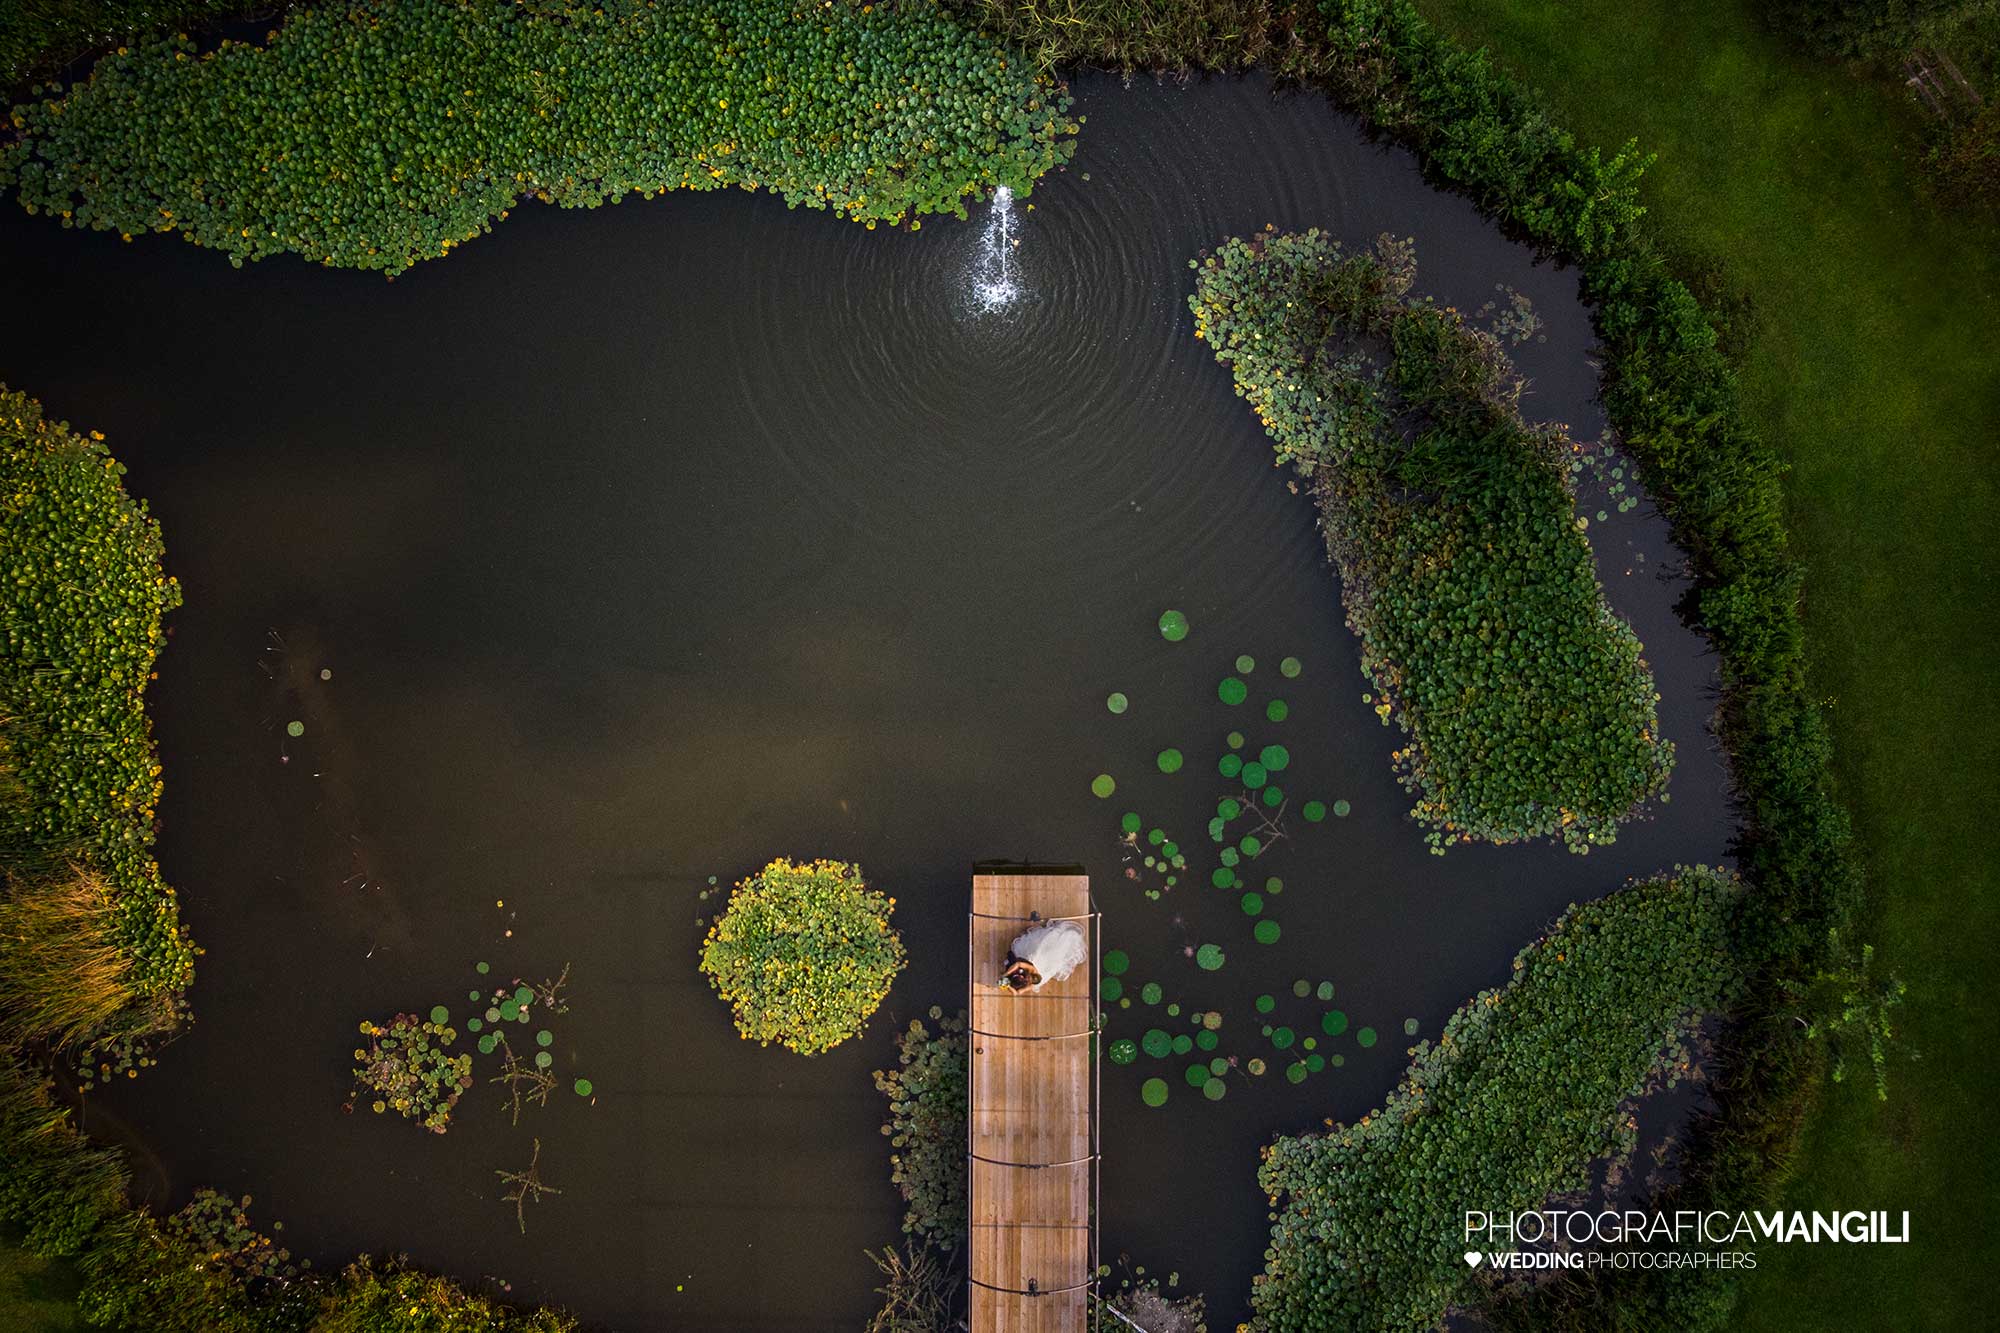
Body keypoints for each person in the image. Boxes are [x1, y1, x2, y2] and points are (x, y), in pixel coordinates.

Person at [998, 917, 1087, 992]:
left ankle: (1008, 977)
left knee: (1006, 977)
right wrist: (1006, 974)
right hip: (1031, 962)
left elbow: (1017, 993)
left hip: (1024, 968)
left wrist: (1007, 985)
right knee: (1039, 950)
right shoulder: (1032, 969)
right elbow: (1018, 964)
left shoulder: (1029, 983)